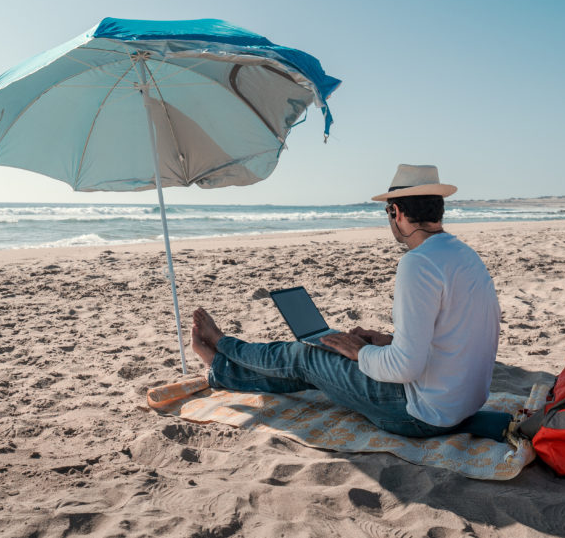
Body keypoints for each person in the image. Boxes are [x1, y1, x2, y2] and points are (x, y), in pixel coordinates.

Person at [190, 164, 501, 437]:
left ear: (397, 212)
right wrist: (386, 342)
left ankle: (224, 344)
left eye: (388, 213)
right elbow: (454, 334)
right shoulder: (462, 254)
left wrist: (361, 352)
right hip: (462, 402)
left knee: (305, 357)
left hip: (423, 415)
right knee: (324, 362)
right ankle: (222, 370)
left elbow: (405, 368)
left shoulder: (418, 263)